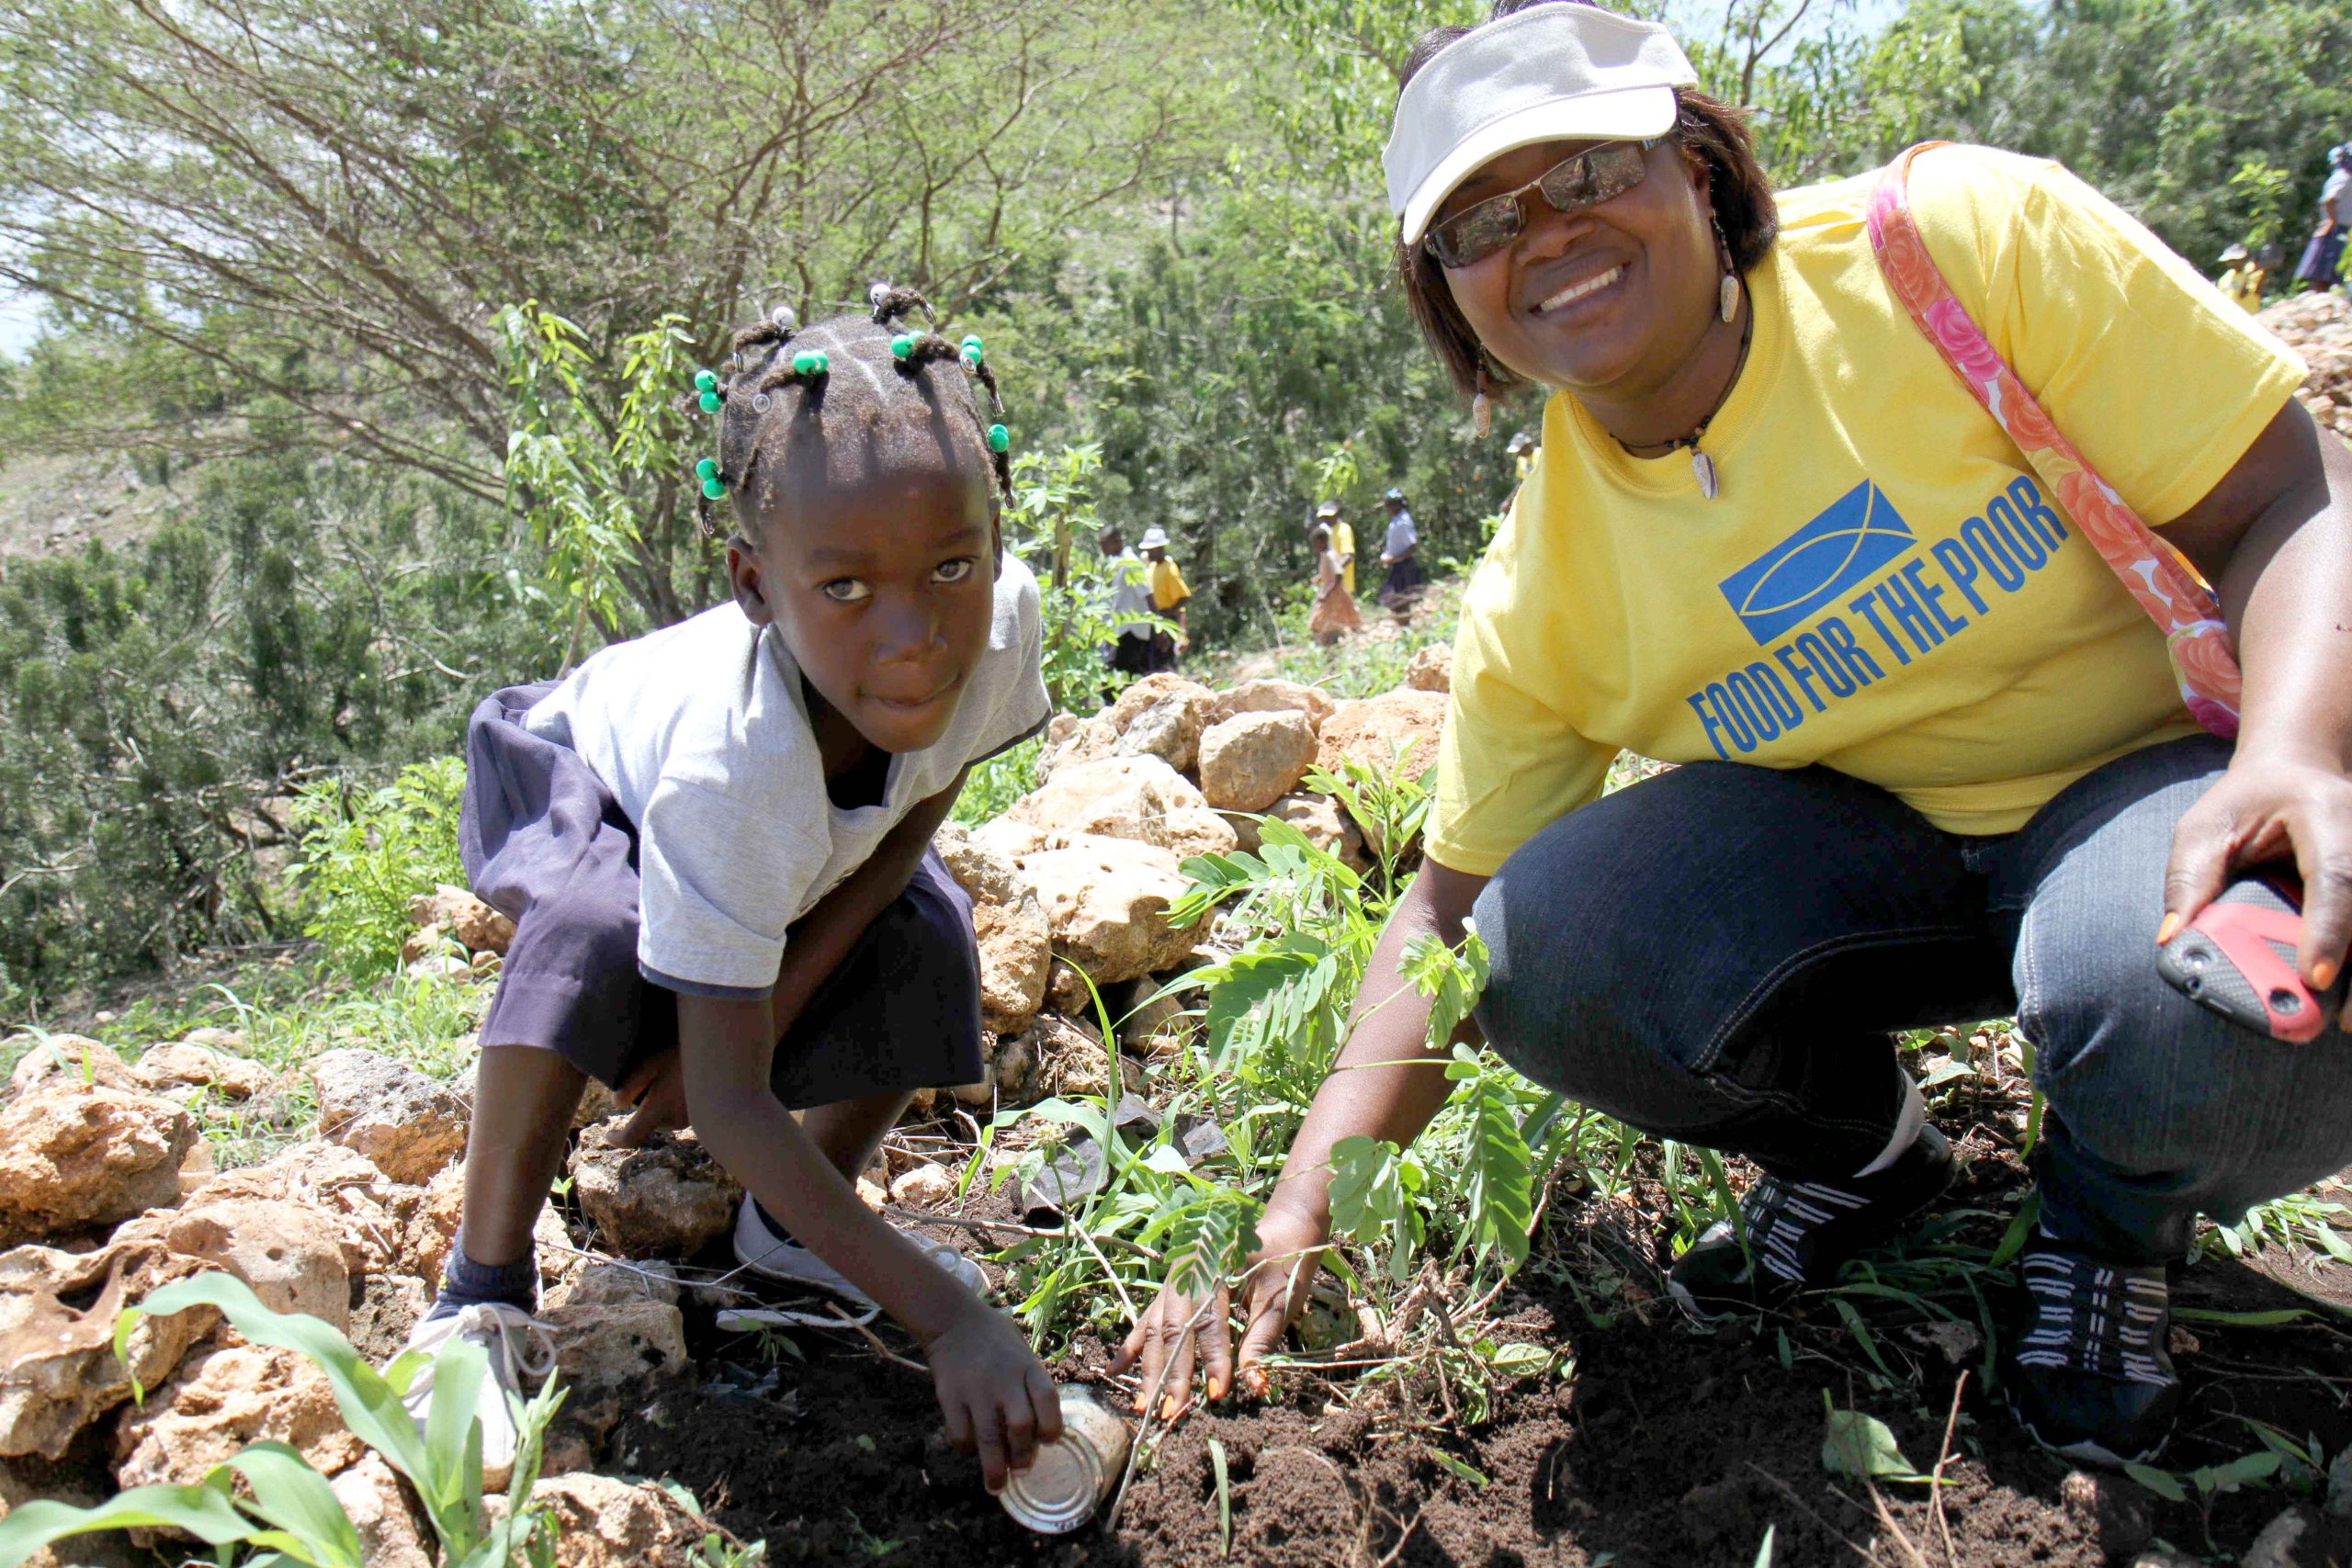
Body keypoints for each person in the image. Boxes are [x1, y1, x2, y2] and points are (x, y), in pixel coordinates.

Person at [1118, 0, 2352, 1472]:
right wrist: (1300, 1200)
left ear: (1695, 164)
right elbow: (1446, 914)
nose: (1549, 235)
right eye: (1481, 223)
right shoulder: (1543, 580)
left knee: (2204, 996)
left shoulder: (1950, 247)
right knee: (1540, 944)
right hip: (1884, 858)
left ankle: (2108, 1232)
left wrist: (2299, 751)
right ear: (1450, 295)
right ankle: (1865, 1156)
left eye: (1587, 174)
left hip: (2157, 804)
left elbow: (2293, 492)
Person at [399, 288, 1063, 1495]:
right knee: (596, 933)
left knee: (928, 926)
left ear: (998, 543)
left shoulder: (1004, 630)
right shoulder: (729, 764)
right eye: (846, 588)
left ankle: (787, 1232)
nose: (914, 633)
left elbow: (923, 798)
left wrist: (776, 989)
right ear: (755, 582)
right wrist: (946, 1316)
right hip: (576, 768)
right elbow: (728, 1103)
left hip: (756, 827)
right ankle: (476, 1292)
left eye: (952, 564)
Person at [1098, 524, 1158, 677]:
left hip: (1132, 630)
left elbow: (1148, 594)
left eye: (1104, 543)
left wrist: (1159, 629)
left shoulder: (1132, 563)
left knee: (1115, 677)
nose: (1102, 548)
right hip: (1122, 629)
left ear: (1117, 541)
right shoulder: (1119, 563)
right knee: (1126, 675)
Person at [2293, 143, 2350, 294]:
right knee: (2325, 274)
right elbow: (2330, 199)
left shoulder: (2343, 177)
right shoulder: (2343, 178)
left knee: (2331, 274)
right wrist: (2332, 220)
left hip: (2339, 228)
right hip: (2337, 229)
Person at [1140, 525, 1191, 671]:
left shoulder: (1169, 568)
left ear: (1160, 548)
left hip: (1166, 620)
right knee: (1154, 662)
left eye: (1151, 549)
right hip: (1155, 620)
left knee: (1165, 661)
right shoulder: (1152, 567)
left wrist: (1169, 613)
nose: (1148, 552)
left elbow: (1184, 597)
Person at [1307, 522, 1363, 645]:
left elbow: (1338, 576)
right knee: (1325, 622)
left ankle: (1331, 645)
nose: (1314, 548)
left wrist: (1326, 593)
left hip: (1333, 594)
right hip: (1329, 592)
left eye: (1315, 544)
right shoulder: (1325, 556)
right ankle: (1330, 645)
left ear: (1322, 541)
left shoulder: (1330, 555)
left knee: (1322, 622)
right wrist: (1321, 577)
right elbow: (1331, 573)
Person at [1376, 487, 1423, 616]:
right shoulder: (1396, 521)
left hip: (1405, 566)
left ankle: (1406, 628)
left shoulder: (1403, 522)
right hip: (1398, 565)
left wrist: (1393, 558)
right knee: (1397, 600)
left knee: (1398, 600)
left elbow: (1412, 547)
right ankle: (1404, 628)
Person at [2215, 243, 2265, 314]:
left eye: (2235, 260)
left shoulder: (2253, 272)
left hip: (2249, 317)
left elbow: (2246, 293)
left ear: (2244, 258)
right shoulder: (2225, 278)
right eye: (2230, 260)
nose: (2232, 263)